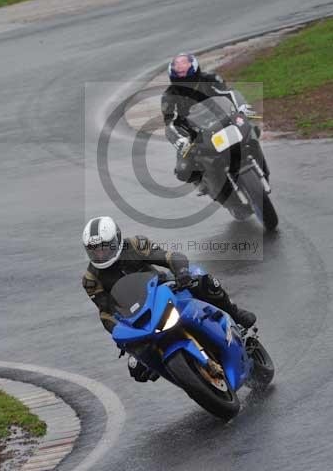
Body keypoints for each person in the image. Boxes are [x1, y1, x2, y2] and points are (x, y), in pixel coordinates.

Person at [82, 216, 257, 382]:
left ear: (117, 239)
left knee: (201, 279)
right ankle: (186, 375)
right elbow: (106, 312)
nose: (100, 253)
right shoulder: (91, 279)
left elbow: (169, 256)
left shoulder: (136, 245)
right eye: (94, 250)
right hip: (137, 318)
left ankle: (233, 312)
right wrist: (122, 339)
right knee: (137, 369)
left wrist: (181, 273)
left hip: (164, 290)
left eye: (104, 247)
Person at [161, 53, 268, 193]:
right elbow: (171, 122)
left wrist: (242, 107)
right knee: (183, 171)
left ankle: (261, 167)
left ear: (196, 73)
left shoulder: (210, 79)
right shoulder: (169, 96)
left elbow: (229, 93)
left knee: (252, 129)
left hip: (223, 120)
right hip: (194, 133)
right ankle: (205, 184)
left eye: (190, 80)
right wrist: (180, 140)